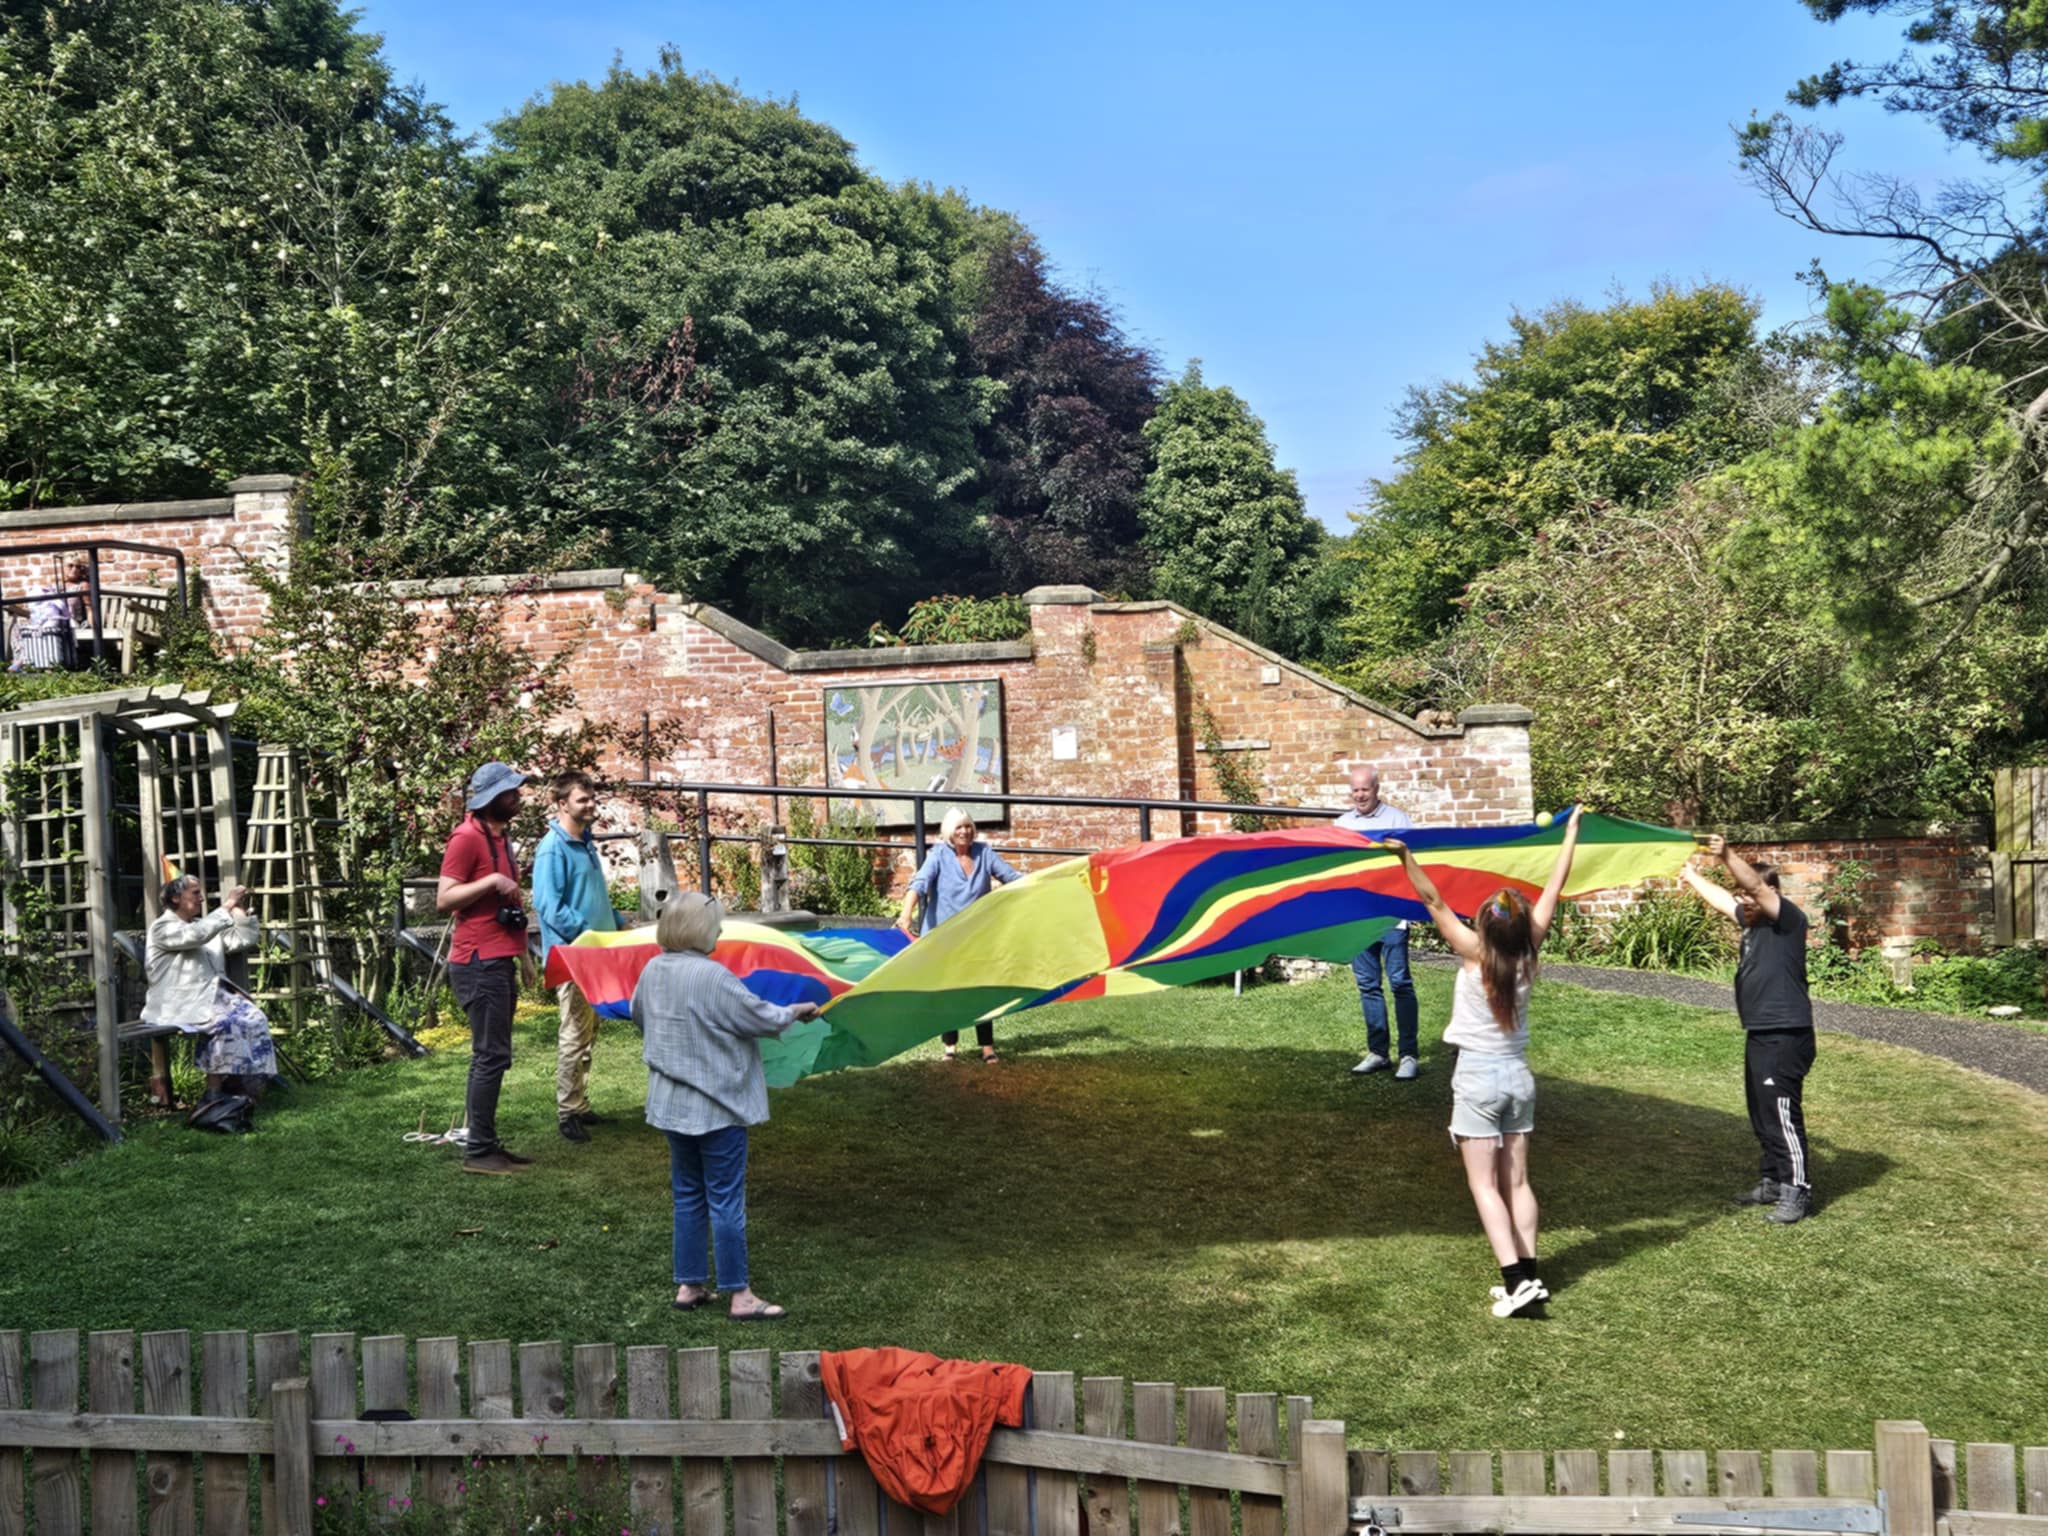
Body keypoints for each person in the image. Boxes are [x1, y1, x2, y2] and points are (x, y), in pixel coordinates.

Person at [1383, 806, 1583, 1318]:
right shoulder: (1530, 951)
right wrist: (1571, 834)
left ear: (1485, 929)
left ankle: (1515, 1282)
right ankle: (1531, 1278)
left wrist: (1406, 854)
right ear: (1521, 929)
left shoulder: (1473, 952)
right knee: (1517, 1180)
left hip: (1477, 1077)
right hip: (1518, 1078)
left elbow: (1431, 898)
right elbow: (1554, 889)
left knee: (1483, 1184)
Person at [632, 891, 820, 1321]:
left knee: (687, 1196)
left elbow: (640, 1016)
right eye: (715, 923)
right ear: (699, 929)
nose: (719, 929)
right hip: (718, 1106)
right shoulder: (712, 976)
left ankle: (690, 1284)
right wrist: (797, 1011)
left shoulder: (652, 970)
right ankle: (741, 1296)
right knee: (725, 1200)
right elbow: (759, 1016)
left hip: (671, 1106)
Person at [1678, 835, 1817, 1225]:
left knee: (1782, 1113)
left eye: (1751, 894)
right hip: (1760, 1031)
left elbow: (1752, 886)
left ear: (1771, 892)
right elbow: (1724, 898)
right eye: (1744, 896)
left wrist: (1725, 855)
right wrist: (1691, 876)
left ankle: (1797, 1192)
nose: (1745, 899)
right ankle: (1773, 1181)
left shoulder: (1787, 918)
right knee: (1762, 1113)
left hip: (1787, 1034)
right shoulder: (1751, 920)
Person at [437, 761, 536, 1176]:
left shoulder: (501, 838)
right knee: (489, 1056)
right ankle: (478, 1151)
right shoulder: (465, 838)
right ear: (491, 798)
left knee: (496, 1054)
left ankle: (487, 1142)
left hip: (499, 958)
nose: (518, 796)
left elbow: (508, 907)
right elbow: (445, 898)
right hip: (477, 962)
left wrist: (525, 955)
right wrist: (491, 882)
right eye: (511, 791)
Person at [532, 770, 619, 1144]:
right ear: (561, 802)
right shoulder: (552, 848)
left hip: (598, 952)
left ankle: (580, 1104)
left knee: (589, 1031)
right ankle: (568, 1111)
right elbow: (549, 907)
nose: (590, 805)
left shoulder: (584, 843)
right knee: (573, 1032)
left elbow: (592, 895)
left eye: (592, 798)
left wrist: (617, 925)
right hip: (573, 955)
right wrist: (588, 933)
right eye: (583, 799)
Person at [897, 808, 1022, 1062]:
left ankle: (987, 1047)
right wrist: (906, 914)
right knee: (948, 992)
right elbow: (919, 884)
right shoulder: (938, 855)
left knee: (981, 990)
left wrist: (1044, 882)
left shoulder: (984, 852)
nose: (965, 831)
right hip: (943, 937)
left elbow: (1012, 878)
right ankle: (950, 1046)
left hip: (977, 936)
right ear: (949, 832)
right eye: (959, 827)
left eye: (968, 826)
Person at [142, 875, 278, 1101]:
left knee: (255, 1018)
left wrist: (237, 911)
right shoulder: (161, 927)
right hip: (180, 1003)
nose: (202, 898)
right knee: (226, 1023)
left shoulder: (201, 925)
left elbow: (243, 940)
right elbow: (195, 937)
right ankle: (214, 1092)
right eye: (195, 893)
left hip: (214, 997)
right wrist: (226, 905)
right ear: (176, 898)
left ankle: (243, 1085)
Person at [1335, 764, 1419, 1078]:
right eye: (1355, 790)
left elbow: (1413, 862)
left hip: (1392, 915)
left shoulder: (1398, 820)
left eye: (1365, 790)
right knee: (1368, 985)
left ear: (1376, 789)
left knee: (1400, 983)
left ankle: (1409, 1055)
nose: (1359, 795)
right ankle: (1378, 1052)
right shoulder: (1342, 825)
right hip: (1358, 916)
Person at [8, 559, 80, 672]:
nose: (75, 569)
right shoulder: (52, 586)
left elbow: (90, 608)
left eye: (78, 567)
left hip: (67, 620)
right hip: (47, 617)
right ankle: (24, 659)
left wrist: (94, 627)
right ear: (63, 566)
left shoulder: (81, 586)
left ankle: (38, 662)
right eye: (70, 565)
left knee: (49, 629)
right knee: (18, 627)